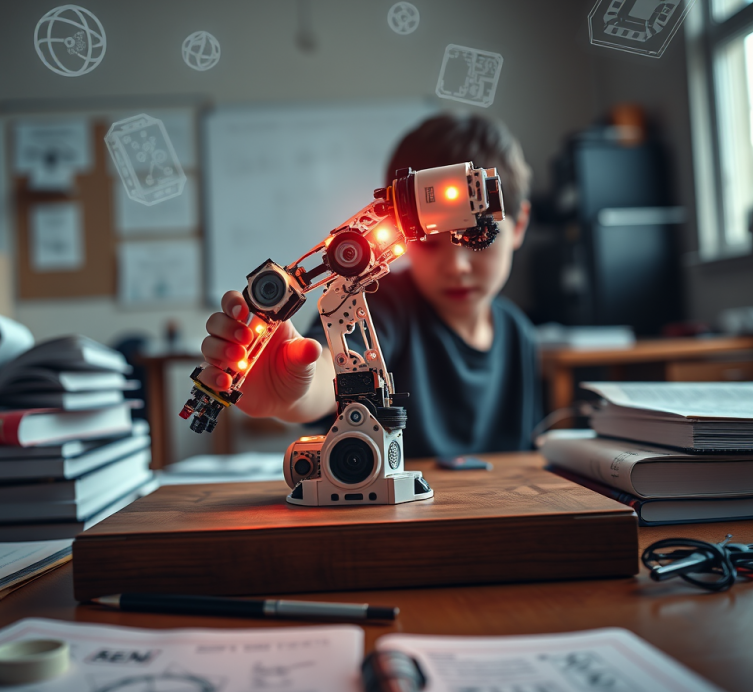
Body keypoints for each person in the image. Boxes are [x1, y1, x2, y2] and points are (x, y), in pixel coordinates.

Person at [199, 113, 541, 455]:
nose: (456, 266)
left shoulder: (518, 332)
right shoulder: (378, 305)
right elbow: (327, 371)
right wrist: (294, 393)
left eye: (478, 240)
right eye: (431, 243)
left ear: (521, 225)